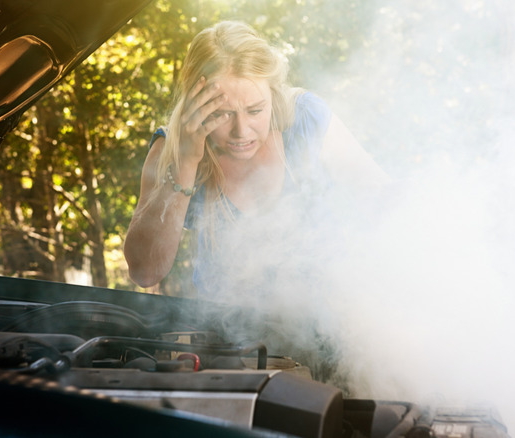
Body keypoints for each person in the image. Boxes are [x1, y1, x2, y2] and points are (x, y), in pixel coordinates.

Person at [124, 21, 388, 300]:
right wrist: (187, 161)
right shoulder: (174, 147)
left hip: (330, 321)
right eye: (222, 114)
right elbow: (145, 272)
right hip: (228, 337)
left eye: (255, 110)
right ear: (194, 103)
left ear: (273, 94)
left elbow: (383, 205)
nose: (242, 131)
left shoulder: (306, 120)